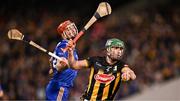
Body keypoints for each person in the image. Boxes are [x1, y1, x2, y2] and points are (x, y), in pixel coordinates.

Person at [66, 38, 136, 100]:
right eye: (116, 48)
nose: (119, 51)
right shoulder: (95, 60)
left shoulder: (120, 65)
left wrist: (127, 73)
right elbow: (73, 65)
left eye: (121, 49)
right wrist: (70, 52)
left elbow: (131, 74)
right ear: (108, 49)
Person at [46, 20, 79, 101]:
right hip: (60, 86)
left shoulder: (65, 44)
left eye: (72, 27)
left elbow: (51, 62)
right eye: (69, 29)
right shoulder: (64, 45)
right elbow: (61, 66)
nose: (73, 30)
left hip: (58, 85)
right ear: (63, 33)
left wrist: (52, 69)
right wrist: (65, 64)